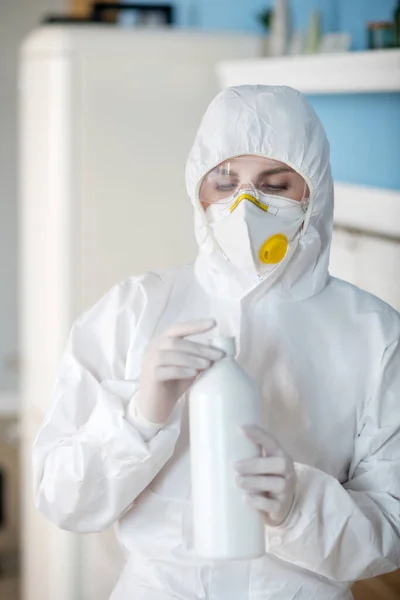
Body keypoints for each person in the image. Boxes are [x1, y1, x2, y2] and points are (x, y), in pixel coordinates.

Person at [33, 85, 400, 600]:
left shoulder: (374, 333)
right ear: (198, 192)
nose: (245, 206)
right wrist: (139, 418)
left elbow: (393, 528)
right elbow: (62, 498)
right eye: (225, 183)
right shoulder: (136, 308)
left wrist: (301, 506)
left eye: (275, 185)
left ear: (314, 194)